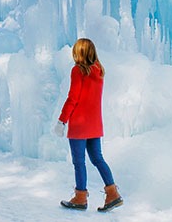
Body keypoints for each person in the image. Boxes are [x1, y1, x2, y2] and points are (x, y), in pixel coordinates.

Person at [54, 38, 123, 212]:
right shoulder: (99, 71)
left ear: (79, 52)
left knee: (79, 162)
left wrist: (62, 120)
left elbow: (73, 98)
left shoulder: (78, 70)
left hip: (79, 124)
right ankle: (113, 193)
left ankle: (80, 197)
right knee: (97, 159)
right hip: (95, 125)